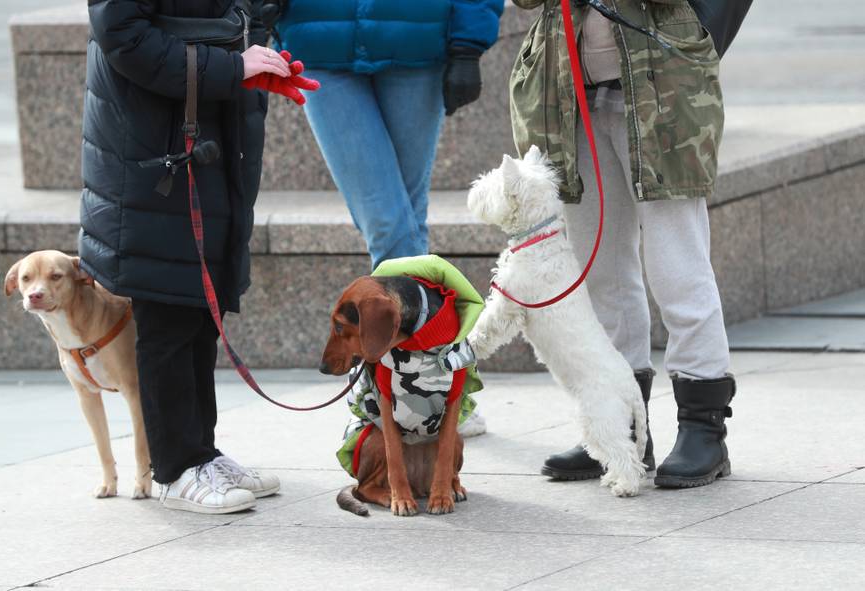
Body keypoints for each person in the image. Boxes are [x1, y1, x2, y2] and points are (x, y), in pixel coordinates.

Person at [511, 0, 736, 488]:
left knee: (677, 266)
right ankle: (621, 428)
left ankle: (703, 427)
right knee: (602, 275)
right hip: (567, 95)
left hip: (664, 92)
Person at [79, 0, 292, 513]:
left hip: (206, 127)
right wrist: (233, 66)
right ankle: (175, 468)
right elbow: (123, 35)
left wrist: (257, 56)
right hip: (153, 143)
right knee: (169, 309)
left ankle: (202, 453)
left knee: (199, 310)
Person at [275, 0, 504, 270]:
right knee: (385, 219)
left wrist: (468, 46)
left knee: (404, 217)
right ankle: (417, 295)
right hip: (318, 38)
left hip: (417, 39)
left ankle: (410, 295)